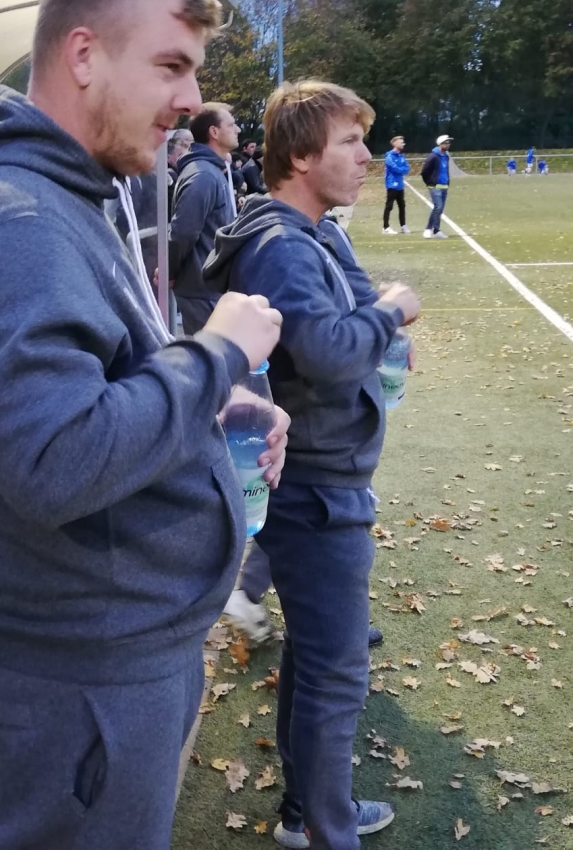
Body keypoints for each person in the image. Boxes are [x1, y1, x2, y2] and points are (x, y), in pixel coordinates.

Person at [0, 0, 289, 850]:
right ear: (84, 55)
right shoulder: (21, 221)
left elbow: (87, 390)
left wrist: (210, 405)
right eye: (171, 65)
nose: (192, 98)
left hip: (87, 657)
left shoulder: (52, 196)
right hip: (83, 675)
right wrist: (217, 355)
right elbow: (55, 459)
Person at [204, 79, 421, 850]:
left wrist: (378, 325)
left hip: (327, 476)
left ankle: (305, 813)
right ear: (300, 156)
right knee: (335, 675)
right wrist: (391, 312)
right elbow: (329, 350)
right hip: (315, 488)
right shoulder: (283, 245)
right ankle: (327, 831)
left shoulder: (314, 232)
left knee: (318, 658)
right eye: (349, 142)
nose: (367, 156)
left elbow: (350, 318)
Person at [169, 101, 239, 334]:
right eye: (231, 124)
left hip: (209, 287)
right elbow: (183, 231)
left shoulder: (210, 171)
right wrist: (170, 270)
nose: (237, 129)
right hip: (202, 290)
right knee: (213, 354)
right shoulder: (203, 176)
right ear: (214, 132)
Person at [421, 133, 453, 239]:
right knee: (438, 207)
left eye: (449, 142)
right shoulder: (433, 156)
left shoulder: (446, 156)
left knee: (440, 209)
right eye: (446, 143)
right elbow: (424, 171)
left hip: (444, 186)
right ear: (440, 144)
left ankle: (436, 230)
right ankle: (428, 229)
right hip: (435, 186)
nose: (448, 144)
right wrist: (429, 183)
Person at [382, 135, 410, 234]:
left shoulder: (401, 156)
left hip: (400, 185)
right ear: (395, 143)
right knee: (389, 206)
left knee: (402, 206)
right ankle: (386, 227)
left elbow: (407, 169)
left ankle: (403, 226)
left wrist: (401, 169)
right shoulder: (389, 156)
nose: (403, 144)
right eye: (401, 142)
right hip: (392, 184)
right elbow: (394, 169)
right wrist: (401, 170)